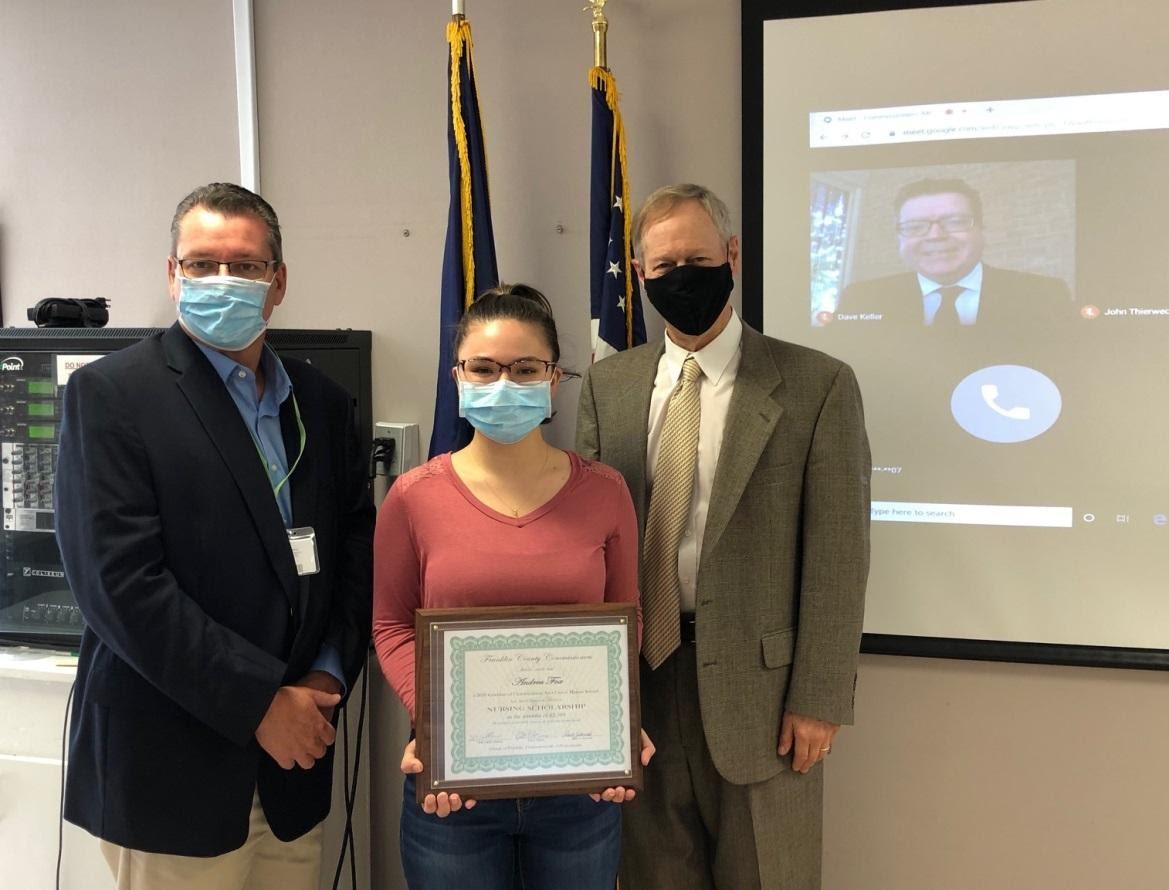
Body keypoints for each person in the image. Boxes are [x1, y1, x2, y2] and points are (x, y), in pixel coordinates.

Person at [55, 182, 374, 890]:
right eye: (200, 264)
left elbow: (355, 546)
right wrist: (260, 702)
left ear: (279, 281)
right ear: (172, 275)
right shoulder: (111, 396)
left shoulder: (320, 403)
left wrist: (326, 670)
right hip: (171, 772)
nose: (221, 281)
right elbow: (120, 587)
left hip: (295, 764)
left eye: (245, 265)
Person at [576, 183, 871, 890]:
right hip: (639, 688)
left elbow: (838, 555)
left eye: (697, 258)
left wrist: (820, 697)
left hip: (764, 700)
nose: (682, 277)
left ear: (732, 256)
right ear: (640, 275)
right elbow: (587, 546)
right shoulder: (607, 386)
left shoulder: (815, 385)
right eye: (664, 265)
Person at [372, 284, 653, 890]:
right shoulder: (412, 496)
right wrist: (444, 725)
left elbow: (627, 618)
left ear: (554, 381)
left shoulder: (606, 491)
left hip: (579, 792)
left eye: (526, 368)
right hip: (453, 796)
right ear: (458, 377)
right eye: (485, 368)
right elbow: (391, 626)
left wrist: (613, 722)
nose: (505, 383)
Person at [837, 177, 1073, 326]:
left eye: (955, 222)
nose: (935, 236)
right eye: (915, 227)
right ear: (899, 236)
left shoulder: (1044, 295)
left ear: (982, 229)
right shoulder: (860, 299)